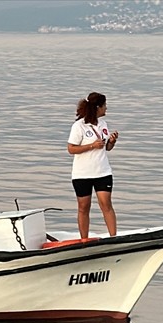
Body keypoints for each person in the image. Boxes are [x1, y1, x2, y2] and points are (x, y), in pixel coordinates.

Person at [67, 92, 119, 238]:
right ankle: (84, 239)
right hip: (82, 173)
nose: (106, 108)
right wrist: (91, 146)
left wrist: (111, 142)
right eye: (104, 106)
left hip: (102, 171)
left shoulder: (103, 124)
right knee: (84, 207)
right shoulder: (79, 126)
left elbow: (106, 148)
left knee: (106, 204)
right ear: (97, 107)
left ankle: (113, 237)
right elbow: (71, 149)